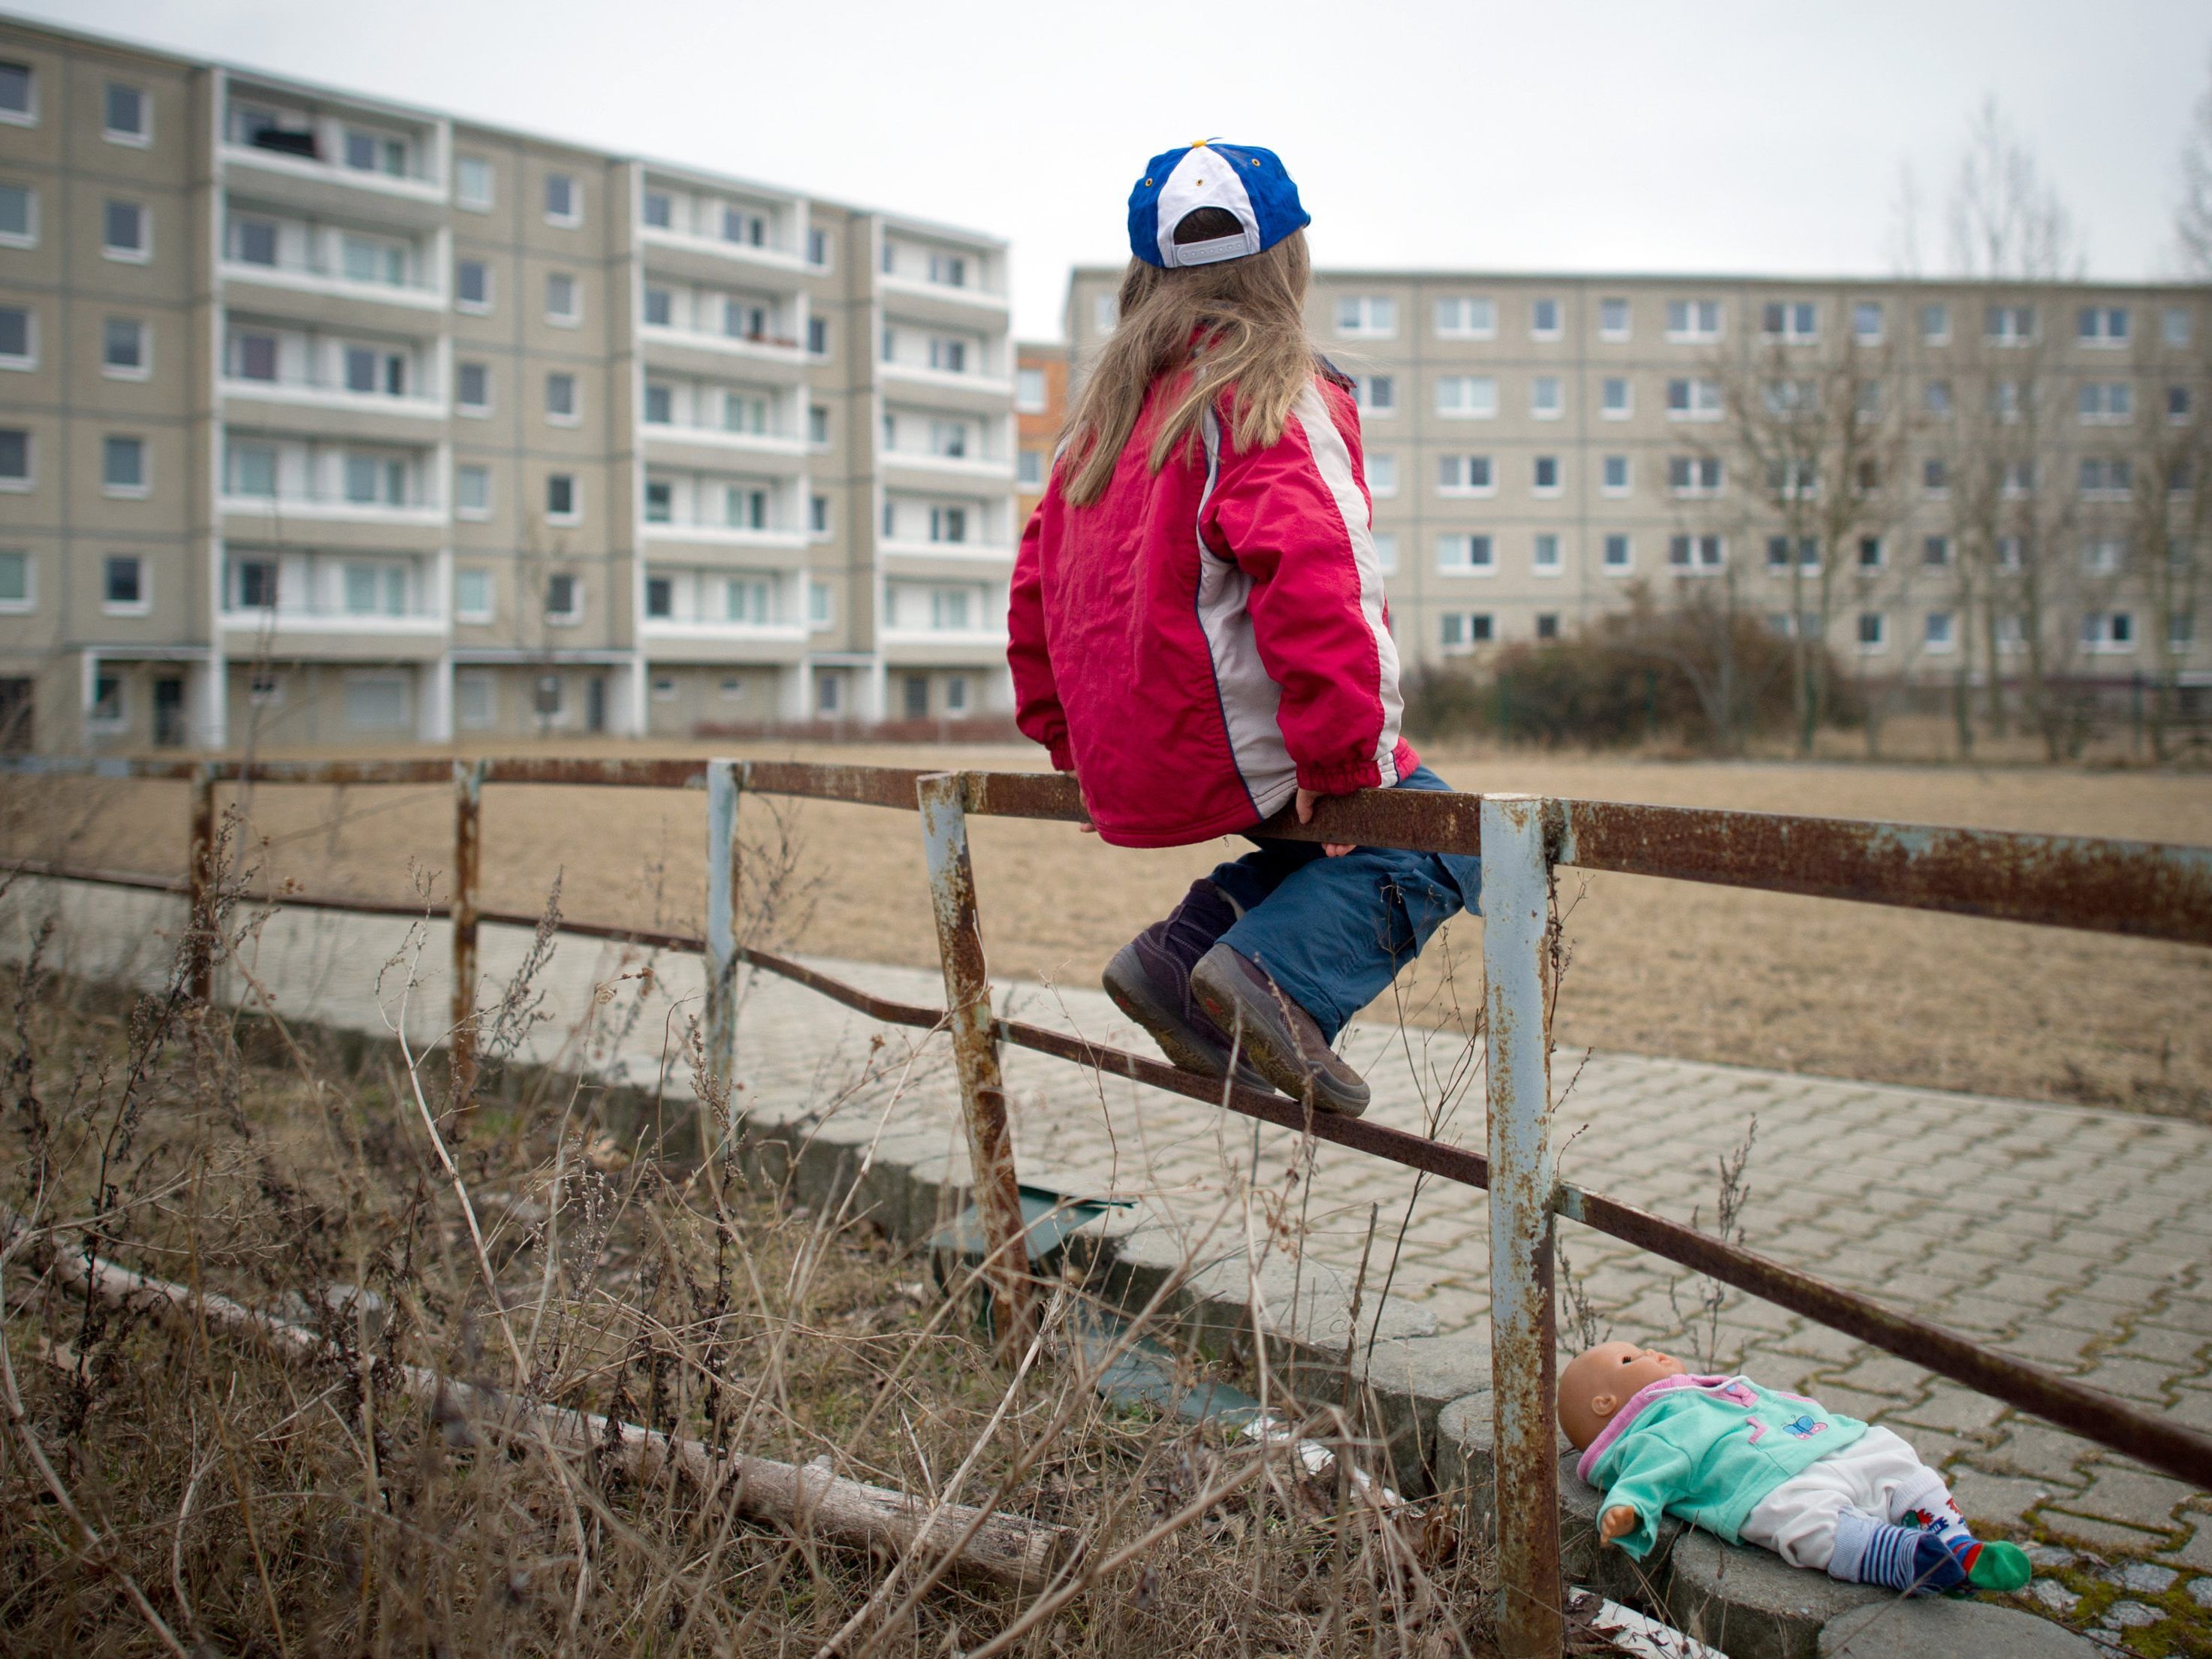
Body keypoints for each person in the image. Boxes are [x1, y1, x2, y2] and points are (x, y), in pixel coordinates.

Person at [1007, 140, 1480, 1119]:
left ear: (1146, 278)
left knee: (1321, 848)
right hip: (1234, 746)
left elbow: (1033, 592)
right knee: (1444, 836)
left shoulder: (1100, 421)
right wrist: (1349, 762)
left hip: (1133, 759)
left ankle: (1177, 962)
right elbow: (1322, 578)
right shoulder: (1268, 387)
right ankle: (1275, 981)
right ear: (1288, 263)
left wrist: (1067, 743)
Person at [1558, 1340, 2030, 1594]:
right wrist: (1625, 1510)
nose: (1653, 1351)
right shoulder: (1660, 1427)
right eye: (1631, 1357)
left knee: (1891, 1454)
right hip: (1769, 1486)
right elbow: (1646, 1477)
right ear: (1606, 1403)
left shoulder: (1700, 1391)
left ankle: (1955, 1540)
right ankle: (1906, 1557)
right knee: (1808, 1526)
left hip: (1824, 1447)